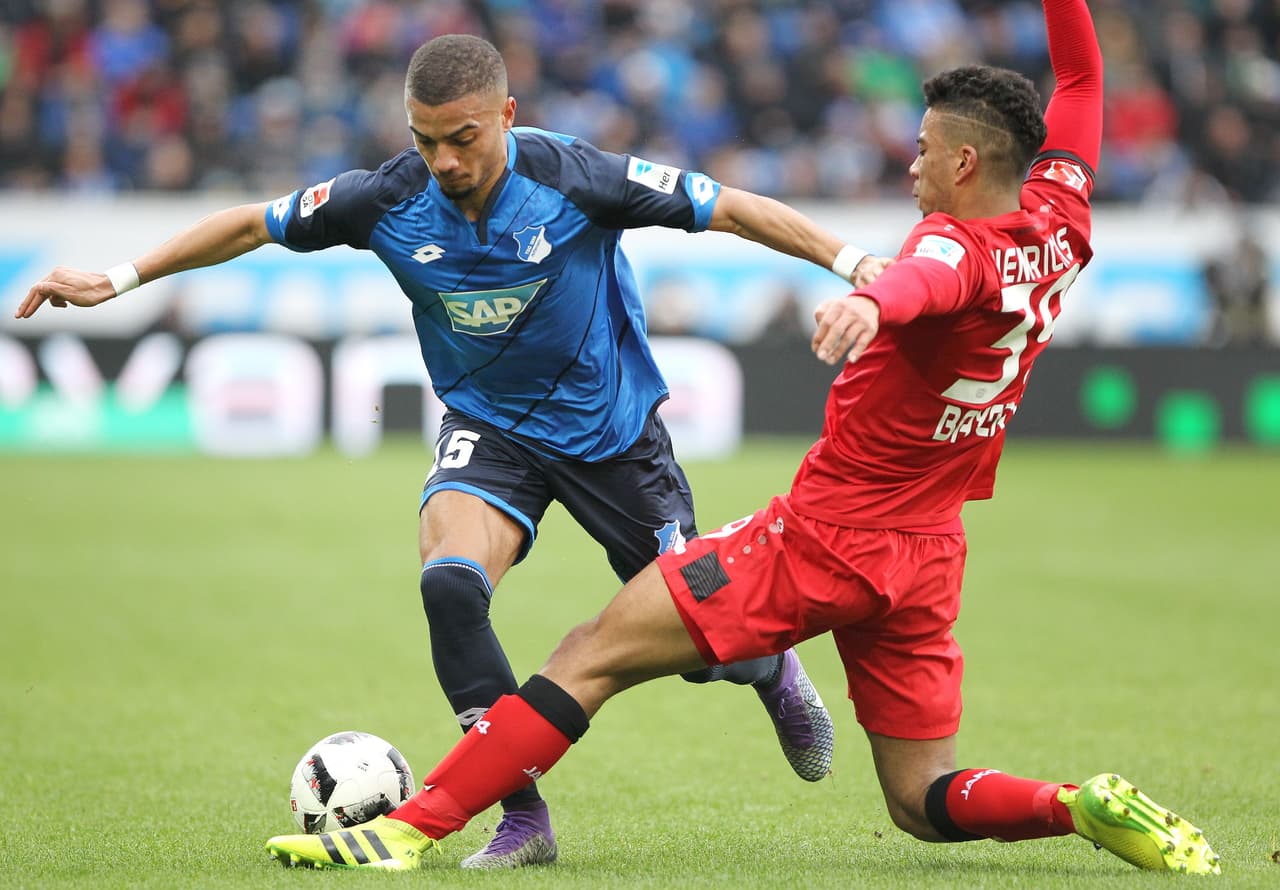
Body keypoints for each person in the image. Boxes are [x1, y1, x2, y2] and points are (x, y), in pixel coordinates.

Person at [260, 0, 1225, 876]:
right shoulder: (1058, 217)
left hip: (823, 539)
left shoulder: (947, 247)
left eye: (925, 149)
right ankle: (1075, 805)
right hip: (928, 555)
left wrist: (869, 302)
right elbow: (1086, 81)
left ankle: (411, 826)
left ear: (966, 164)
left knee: (587, 653)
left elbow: (923, 276)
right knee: (920, 802)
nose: (911, 162)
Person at [15, 33, 891, 870]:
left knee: (711, 653)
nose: (443, 160)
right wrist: (119, 279)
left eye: (463, 138)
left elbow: (731, 206)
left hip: (614, 439)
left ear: (507, 114)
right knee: (449, 585)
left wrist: (853, 261)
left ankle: (767, 667)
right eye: (425, 140)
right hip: (493, 431)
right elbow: (253, 224)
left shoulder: (578, 178)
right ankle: (522, 814)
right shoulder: (386, 198)